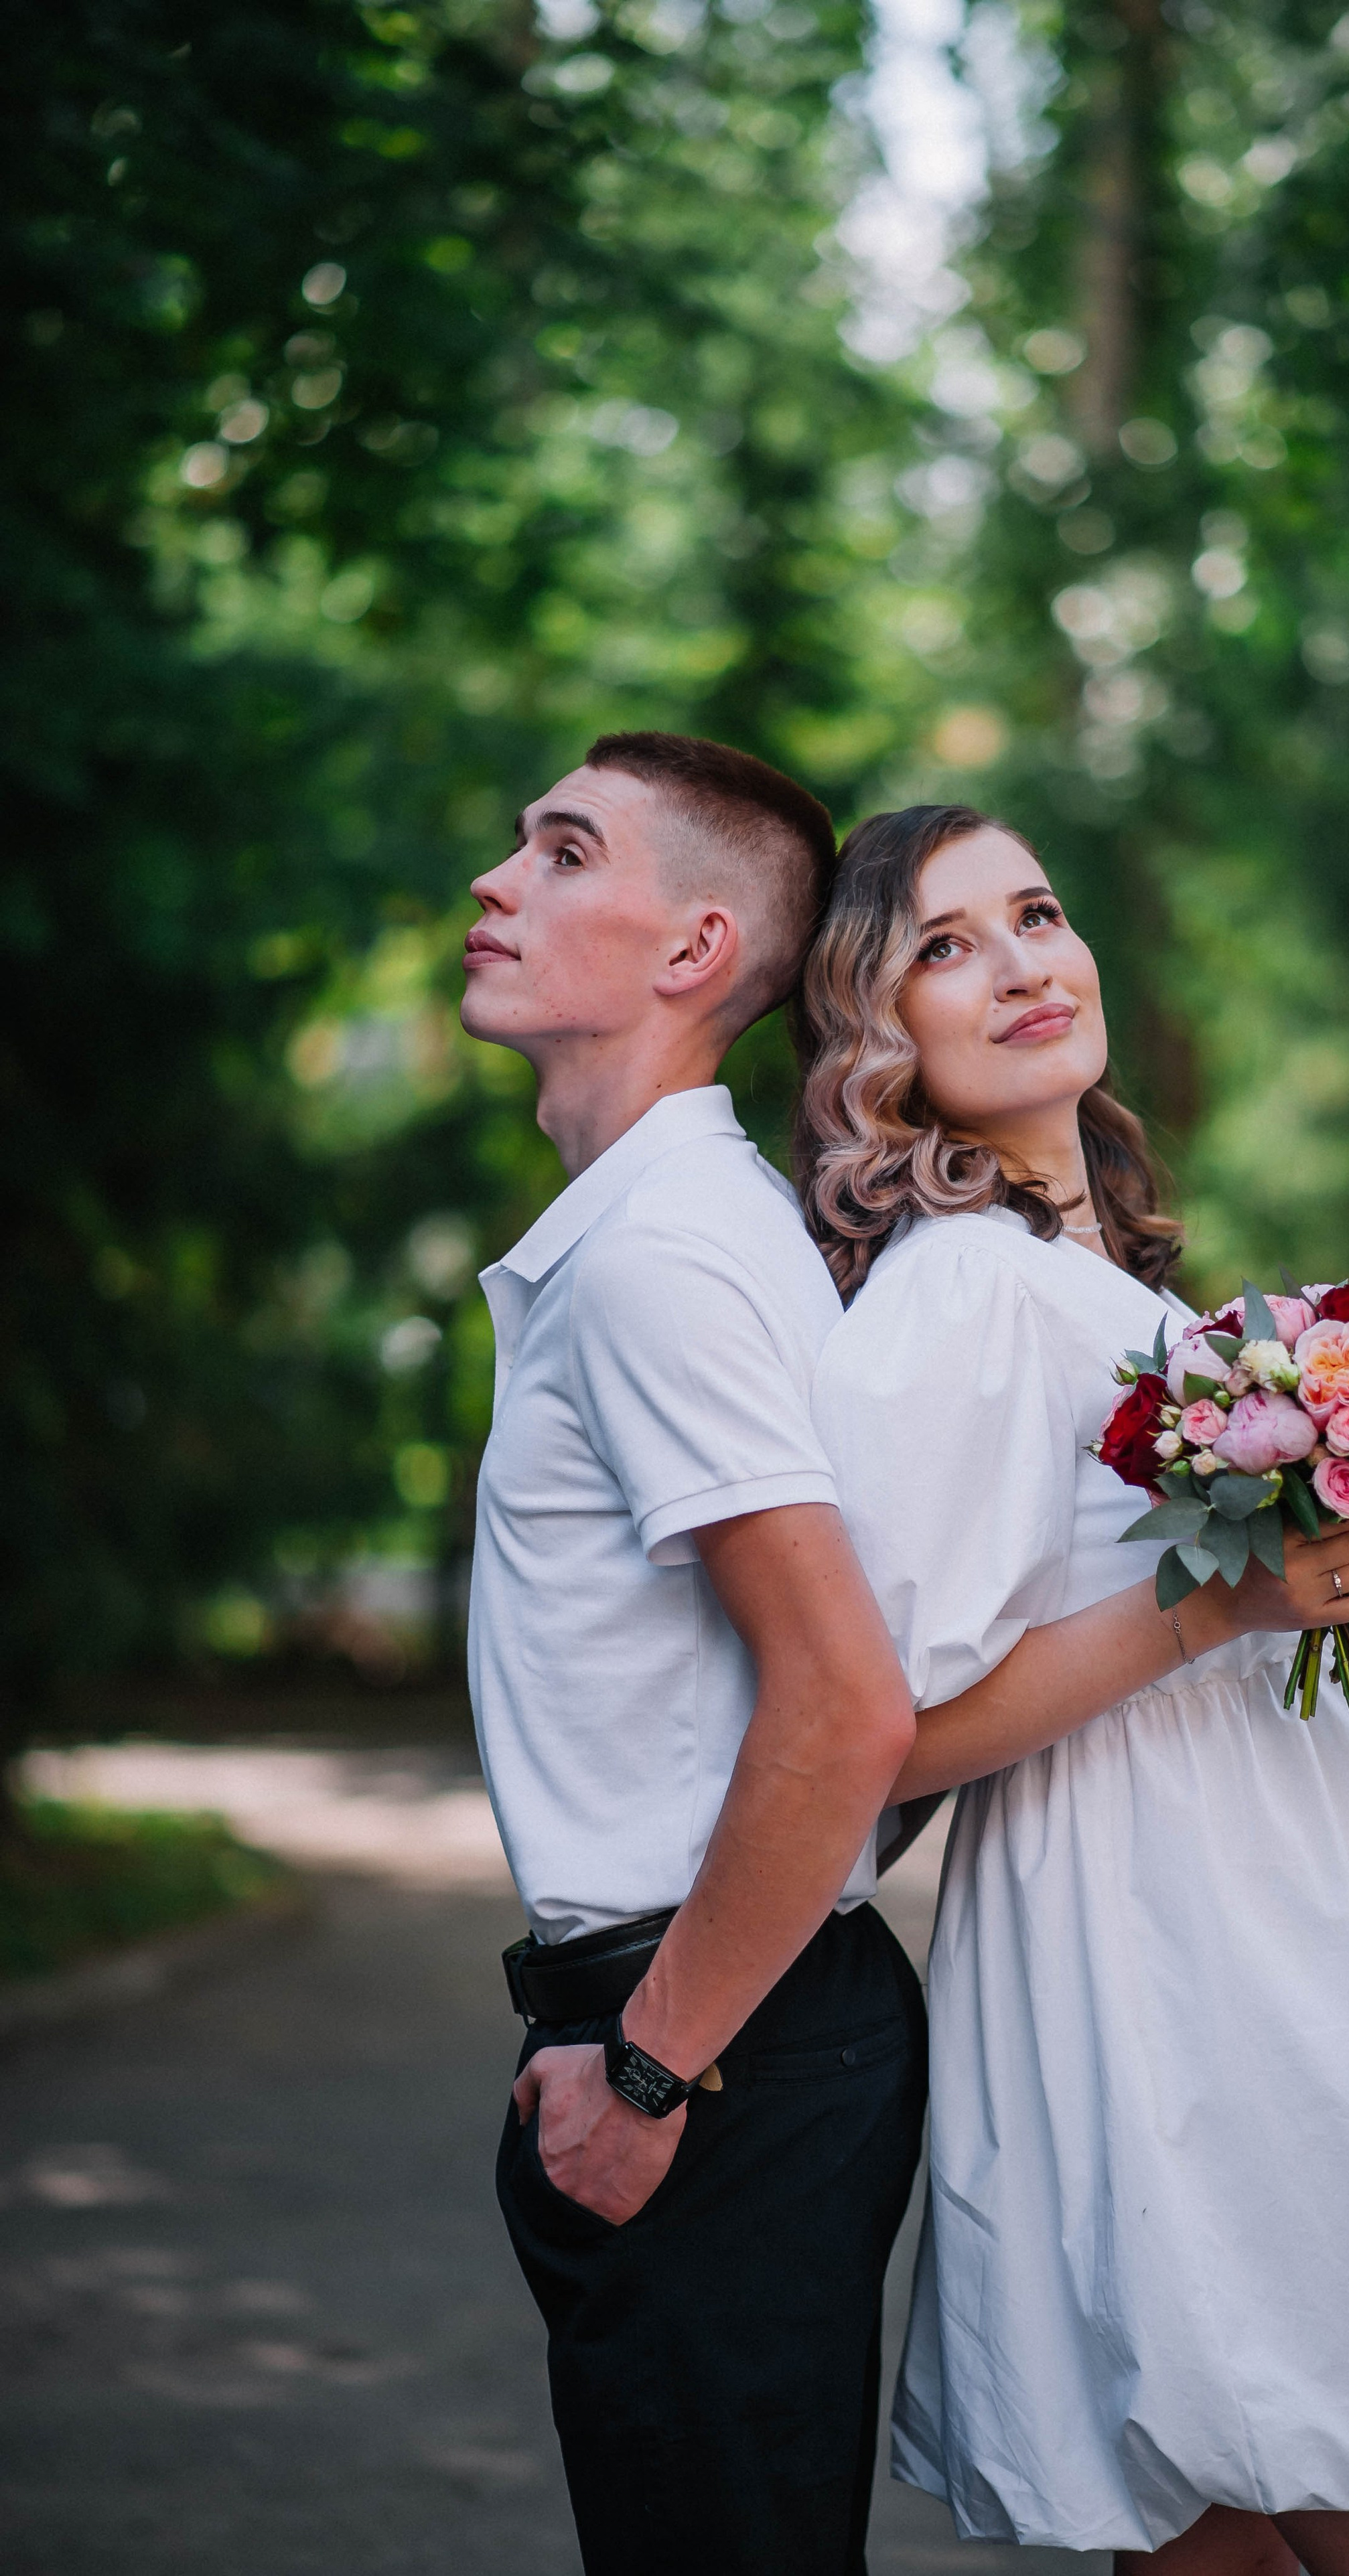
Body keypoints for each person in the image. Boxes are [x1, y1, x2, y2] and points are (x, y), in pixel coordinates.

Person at [799, 803, 1349, 2576]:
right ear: (881, 1035)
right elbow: (881, 1734)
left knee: (1222, 2520)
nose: (1022, 960)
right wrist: (1222, 1611)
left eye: (1038, 911)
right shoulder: (952, 1303)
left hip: (1272, 1906)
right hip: (1177, 1957)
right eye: (946, 944)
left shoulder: (1092, 1286)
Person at [457, 731, 929, 2576]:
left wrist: (645, 2072)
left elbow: (842, 1698)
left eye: (564, 852)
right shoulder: (647, 1234)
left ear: (690, 950)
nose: (499, 883)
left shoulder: (663, 1254)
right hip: (713, 2026)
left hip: (717, 2047)